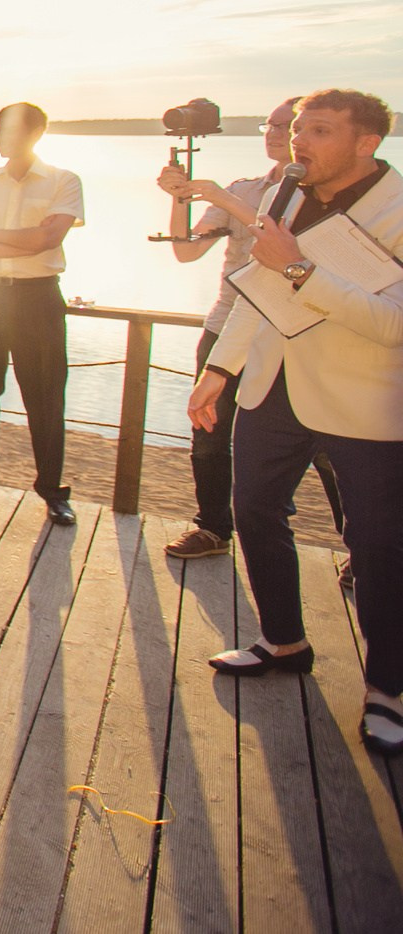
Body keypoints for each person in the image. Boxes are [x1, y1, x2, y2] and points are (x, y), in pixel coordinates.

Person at [190, 89, 403, 756]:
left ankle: (388, 690)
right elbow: (259, 286)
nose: (298, 142)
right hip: (271, 387)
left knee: (376, 545)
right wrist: (220, 369)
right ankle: (283, 640)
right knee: (252, 510)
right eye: (297, 129)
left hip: (362, 397)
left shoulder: (399, 209)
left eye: (319, 130)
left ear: (366, 142)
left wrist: (303, 269)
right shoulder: (284, 195)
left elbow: (394, 324)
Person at [157, 97, 300, 559]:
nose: (274, 133)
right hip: (225, 325)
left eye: (288, 125)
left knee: (320, 446)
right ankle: (213, 528)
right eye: (269, 125)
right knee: (210, 435)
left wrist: (220, 197)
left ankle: (361, 550)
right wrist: (180, 201)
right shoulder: (245, 187)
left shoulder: (315, 194)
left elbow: (277, 240)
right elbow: (185, 250)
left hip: (288, 332)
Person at [0, 103, 84, 528]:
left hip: (37, 299)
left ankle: (51, 489)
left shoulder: (64, 181)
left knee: (44, 398)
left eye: (6, 129)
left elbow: (48, 239)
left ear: (35, 133)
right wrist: (21, 242)